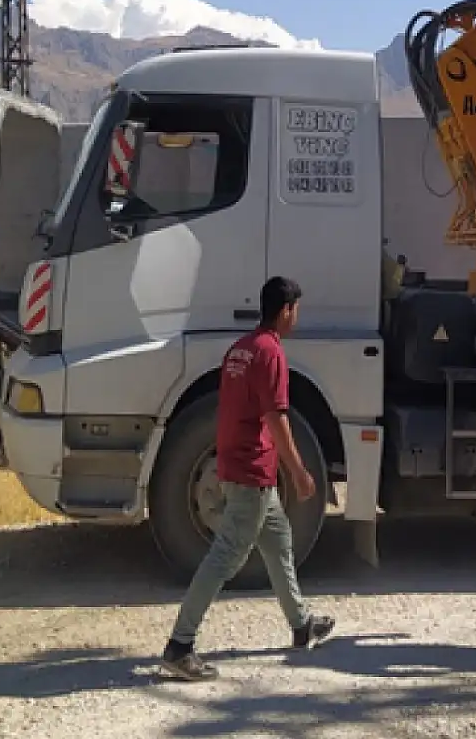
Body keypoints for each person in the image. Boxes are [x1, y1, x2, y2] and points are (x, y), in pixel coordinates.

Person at [159, 276, 336, 681]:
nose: (298, 317)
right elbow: (276, 418)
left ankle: (301, 625)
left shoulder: (240, 349)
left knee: (278, 541)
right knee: (226, 556)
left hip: (238, 463)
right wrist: (300, 472)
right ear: (287, 310)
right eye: (297, 310)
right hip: (252, 470)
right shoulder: (271, 353)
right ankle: (179, 646)